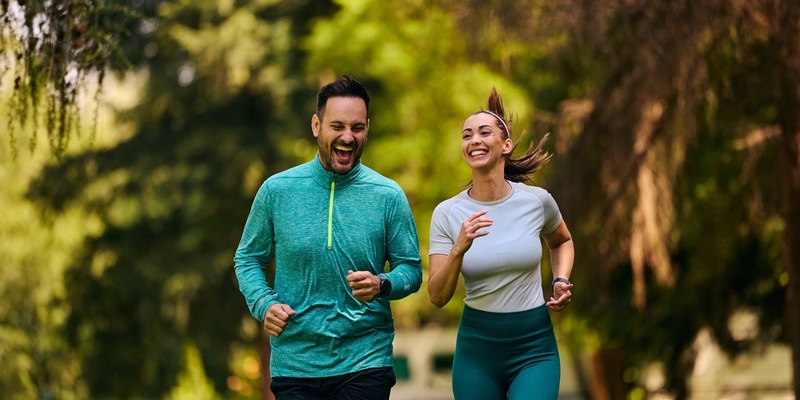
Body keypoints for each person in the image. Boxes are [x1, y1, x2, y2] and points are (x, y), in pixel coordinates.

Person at [234, 75, 423, 400]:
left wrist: (382, 283)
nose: (348, 137)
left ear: (367, 128)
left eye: (357, 128)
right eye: (338, 126)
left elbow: (411, 269)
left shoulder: (387, 195)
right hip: (296, 362)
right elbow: (248, 259)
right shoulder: (277, 191)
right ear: (316, 125)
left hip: (365, 358)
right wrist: (264, 304)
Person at [427, 87, 575, 400]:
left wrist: (560, 279)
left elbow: (561, 240)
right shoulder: (447, 213)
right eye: (467, 135)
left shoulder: (536, 202)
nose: (474, 140)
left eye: (484, 132)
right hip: (477, 352)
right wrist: (458, 249)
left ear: (505, 145)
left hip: (533, 348)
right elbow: (437, 296)